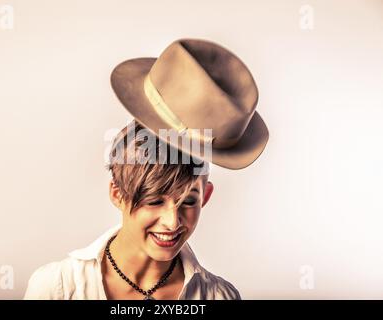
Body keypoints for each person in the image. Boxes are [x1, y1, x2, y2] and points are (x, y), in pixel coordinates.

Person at [24, 38, 269, 300]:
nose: (172, 222)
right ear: (117, 194)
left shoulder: (219, 296)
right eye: (153, 200)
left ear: (206, 196)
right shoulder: (57, 288)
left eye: (188, 200)